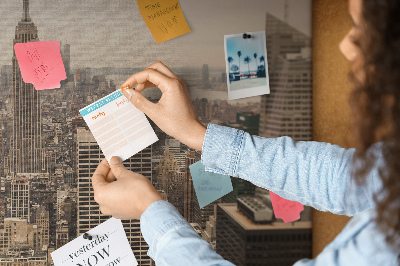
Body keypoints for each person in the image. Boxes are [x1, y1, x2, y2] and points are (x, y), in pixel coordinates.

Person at [91, 0, 400, 264]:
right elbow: (341, 177)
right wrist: (197, 134)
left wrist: (149, 209)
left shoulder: (386, 246)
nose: (346, 46)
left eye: (366, 29)